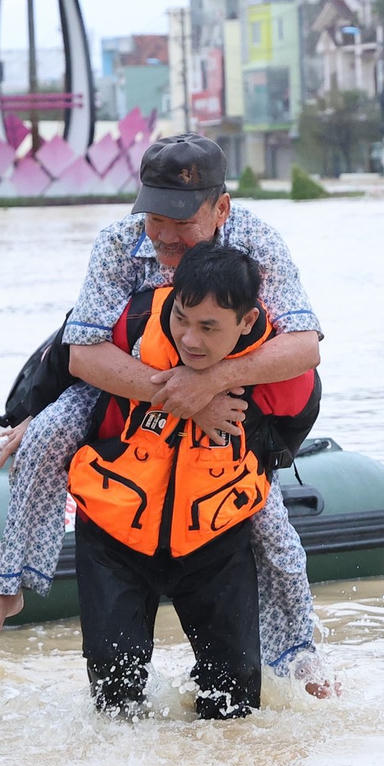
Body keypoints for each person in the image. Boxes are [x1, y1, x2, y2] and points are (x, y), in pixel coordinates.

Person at [0, 133, 331, 691]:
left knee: (270, 524)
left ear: (221, 208)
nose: (163, 234)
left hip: (229, 391)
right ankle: (8, 583)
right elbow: (82, 353)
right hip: (124, 378)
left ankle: (300, 654)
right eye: (154, 215)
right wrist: (178, 394)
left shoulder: (254, 239)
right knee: (49, 434)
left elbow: (305, 344)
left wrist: (212, 384)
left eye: (182, 220)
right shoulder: (118, 242)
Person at [70, 243, 319, 719]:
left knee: (235, 707)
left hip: (216, 539)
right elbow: (65, 365)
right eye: (183, 318)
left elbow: (287, 438)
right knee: (114, 700)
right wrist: (22, 419)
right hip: (113, 532)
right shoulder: (132, 323)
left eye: (209, 327)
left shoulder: (284, 372)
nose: (190, 339)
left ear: (246, 322)